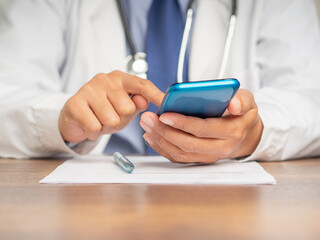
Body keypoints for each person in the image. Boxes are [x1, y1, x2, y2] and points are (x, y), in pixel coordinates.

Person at [0, 0, 320, 163]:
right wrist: (60, 118)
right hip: (94, 204)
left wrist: (257, 133)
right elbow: (7, 93)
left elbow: (312, 97)